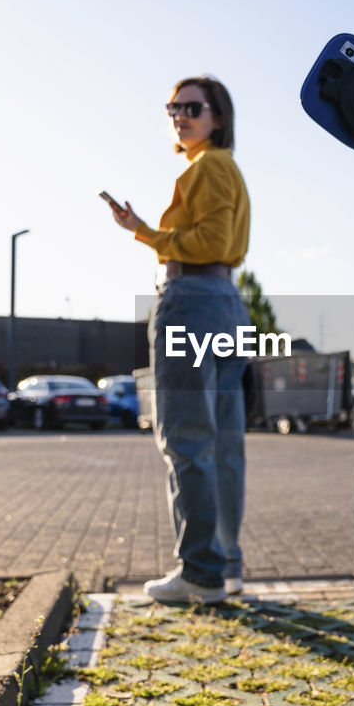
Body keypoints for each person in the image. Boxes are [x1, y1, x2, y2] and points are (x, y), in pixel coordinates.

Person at [108, 76, 251, 604]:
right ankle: (227, 565)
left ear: (218, 116)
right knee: (224, 444)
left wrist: (145, 231)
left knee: (187, 439)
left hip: (192, 302)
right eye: (173, 107)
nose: (180, 115)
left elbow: (209, 240)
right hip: (228, 305)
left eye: (193, 107)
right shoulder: (225, 167)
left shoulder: (208, 166)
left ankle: (201, 572)